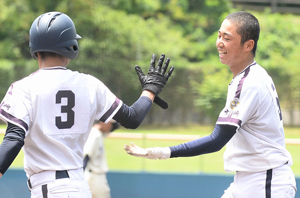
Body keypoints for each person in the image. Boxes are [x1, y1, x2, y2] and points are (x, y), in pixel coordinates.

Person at [0, 11, 174, 198]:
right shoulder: (89, 84)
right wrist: (150, 90)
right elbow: (132, 118)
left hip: (48, 188)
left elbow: (14, 138)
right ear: (71, 45)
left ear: (34, 47)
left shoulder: (24, 87)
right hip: (80, 187)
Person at [124, 11, 297, 198]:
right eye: (219, 35)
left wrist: (162, 152)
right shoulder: (250, 76)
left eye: (227, 38)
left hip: (266, 182)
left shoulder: (250, 83)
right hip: (251, 179)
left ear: (248, 45)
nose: (219, 42)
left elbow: (217, 139)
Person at [83, 120, 120, 198]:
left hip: (94, 177)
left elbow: (116, 126)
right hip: (94, 177)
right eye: (110, 124)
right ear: (103, 122)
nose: (111, 127)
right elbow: (86, 157)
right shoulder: (94, 134)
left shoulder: (99, 133)